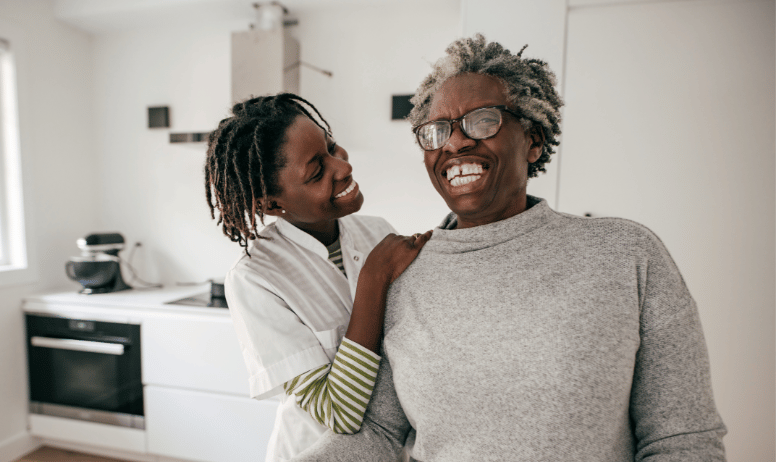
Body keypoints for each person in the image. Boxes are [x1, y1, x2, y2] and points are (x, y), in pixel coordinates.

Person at [293, 35, 727, 461]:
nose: (456, 142)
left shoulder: (626, 255)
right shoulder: (406, 274)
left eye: (483, 121)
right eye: (437, 130)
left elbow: (681, 439)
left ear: (533, 141)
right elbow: (381, 433)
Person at [204, 93, 432, 461]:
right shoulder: (255, 279)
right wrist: (374, 279)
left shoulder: (377, 231)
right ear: (272, 204)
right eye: (316, 172)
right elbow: (337, 413)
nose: (342, 167)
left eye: (330, 147)